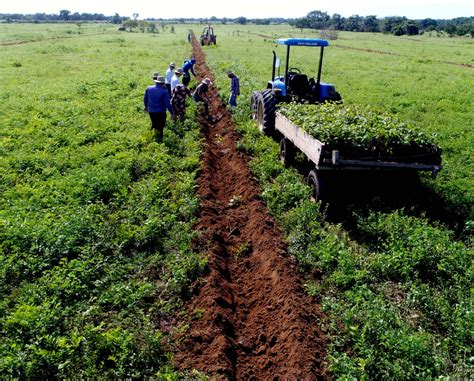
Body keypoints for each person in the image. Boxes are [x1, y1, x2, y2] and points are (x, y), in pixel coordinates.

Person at [143, 75, 174, 142]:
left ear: (156, 82)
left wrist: (146, 107)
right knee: (160, 126)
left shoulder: (148, 88)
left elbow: (145, 99)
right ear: (163, 84)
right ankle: (160, 140)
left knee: (154, 123)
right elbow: (168, 104)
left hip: (151, 111)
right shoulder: (164, 92)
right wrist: (172, 113)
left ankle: (153, 134)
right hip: (160, 112)